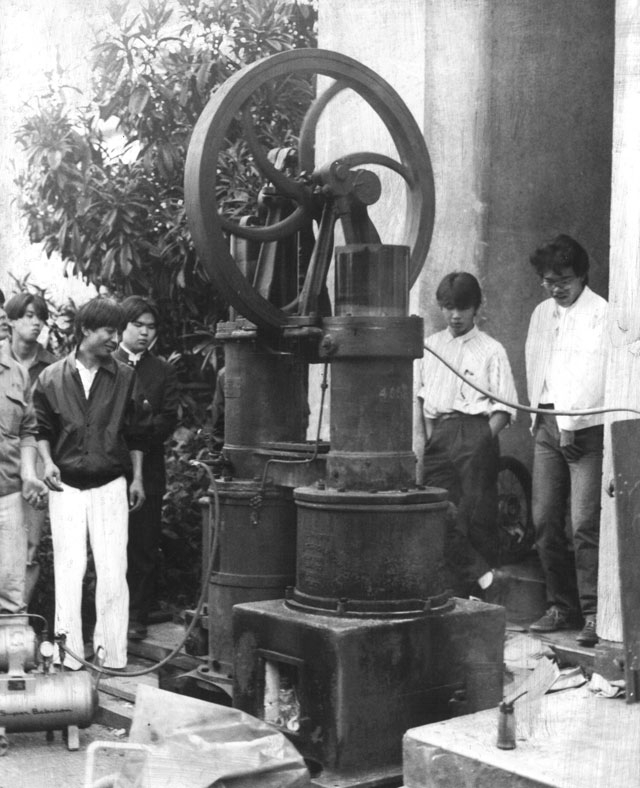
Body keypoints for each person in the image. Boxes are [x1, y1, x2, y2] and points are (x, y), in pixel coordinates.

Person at [33, 297, 149, 669]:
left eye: (117, 331)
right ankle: (69, 656)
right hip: (65, 486)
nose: (115, 339)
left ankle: (112, 656)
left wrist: (138, 479)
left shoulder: (126, 376)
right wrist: (47, 463)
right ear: (86, 331)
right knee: (69, 568)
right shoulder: (50, 377)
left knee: (114, 569)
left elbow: (136, 434)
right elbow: (41, 429)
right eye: (108, 331)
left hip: (110, 483)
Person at [525, 234, 607, 647]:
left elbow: (593, 375)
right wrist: (541, 413)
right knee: (543, 520)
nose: (556, 288)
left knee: (585, 524)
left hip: (585, 429)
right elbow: (537, 362)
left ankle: (594, 612)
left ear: (582, 275)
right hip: (547, 425)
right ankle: (562, 605)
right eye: (548, 280)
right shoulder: (542, 313)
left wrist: (572, 420)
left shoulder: (600, 315)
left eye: (564, 280)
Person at [417, 272, 518, 600]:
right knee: (437, 513)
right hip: (440, 435)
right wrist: (432, 440)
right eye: (448, 307)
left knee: (475, 517)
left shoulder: (492, 349)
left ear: (476, 308)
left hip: (477, 431)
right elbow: (421, 402)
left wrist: (480, 441)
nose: (455, 316)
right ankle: (480, 578)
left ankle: (477, 598)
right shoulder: (430, 348)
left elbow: (504, 407)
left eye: (462, 308)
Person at [113, 296, 179, 641]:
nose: (144, 332)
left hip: (148, 472)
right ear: (122, 327)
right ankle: (109, 614)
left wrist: (136, 435)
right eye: (137, 324)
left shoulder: (163, 370)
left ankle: (136, 616)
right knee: (110, 546)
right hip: (107, 471)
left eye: (150, 327)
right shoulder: (106, 364)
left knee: (142, 546)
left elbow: (168, 419)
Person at [5, 292, 57, 603]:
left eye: (40, 316)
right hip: (4, 463)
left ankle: (18, 621)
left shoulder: (53, 367)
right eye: (27, 315)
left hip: (35, 460)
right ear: (10, 320)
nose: (36, 322)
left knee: (29, 545)